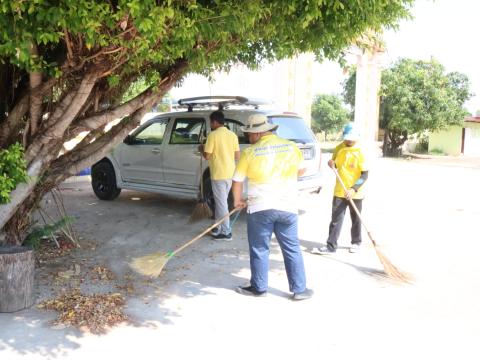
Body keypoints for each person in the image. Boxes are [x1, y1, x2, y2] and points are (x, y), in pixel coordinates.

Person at [232, 114, 313, 301]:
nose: (249, 137)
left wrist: (237, 201)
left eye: (250, 134)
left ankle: (259, 288)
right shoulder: (291, 146)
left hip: (260, 207)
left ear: (259, 133)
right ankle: (299, 290)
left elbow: (237, 180)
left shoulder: (250, 153)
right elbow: (302, 169)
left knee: (260, 248)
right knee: (292, 247)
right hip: (288, 206)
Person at [312, 122, 368, 255]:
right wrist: (331, 163)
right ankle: (331, 246)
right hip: (340, 190)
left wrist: (354, 189)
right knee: (336, 219)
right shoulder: (339, 148)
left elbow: (365, 174)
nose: (349, 140)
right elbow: (334, 163)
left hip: (356, 192)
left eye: (351, 138)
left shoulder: (361, 151)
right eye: (347, 137)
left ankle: (356, 242)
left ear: (357, 137)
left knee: (356, 218)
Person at [201, 110, 240, 240]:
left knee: (222, 203)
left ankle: (226, 232)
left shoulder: (213, 135)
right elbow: (237, 155)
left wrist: (201, 148)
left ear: (215, 122)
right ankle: (217, 227)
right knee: (220, 202)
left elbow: (207, 156)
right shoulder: (232, 135)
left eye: (211, 122)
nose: (210, 124)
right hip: (230, 173)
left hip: (218, 174)